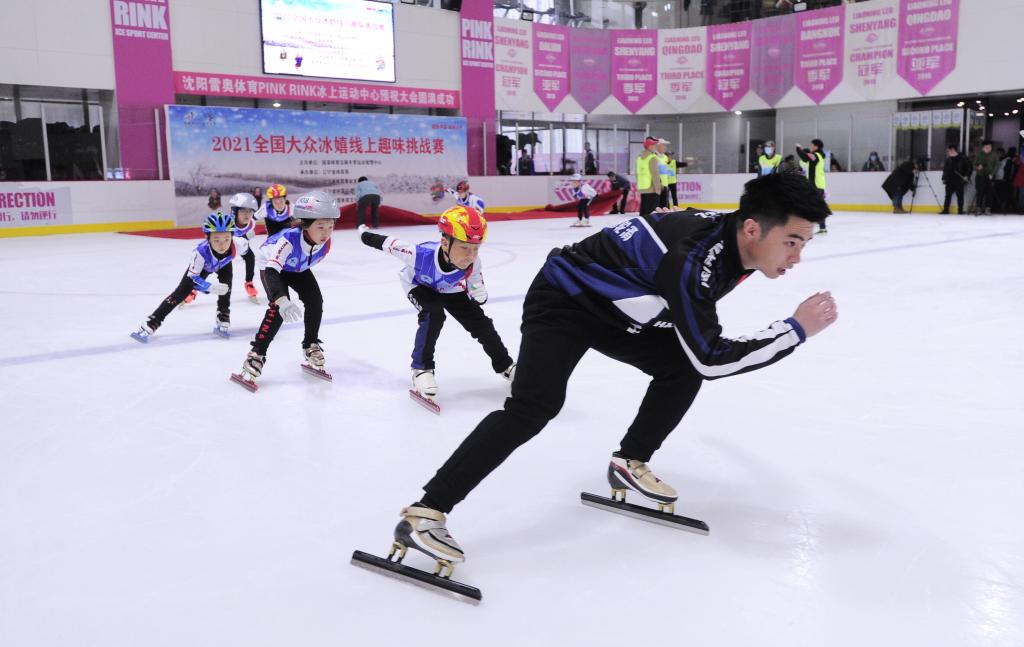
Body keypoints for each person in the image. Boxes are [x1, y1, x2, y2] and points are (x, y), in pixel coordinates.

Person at [384, 173, 837, 572]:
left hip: (618, 309)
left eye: (804, 244)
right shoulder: (693, 260)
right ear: (753, 228)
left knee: (680, 370)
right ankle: (426, 512)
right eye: (792, 241)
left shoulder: (737, 240)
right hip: (564, 298)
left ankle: (629, 462)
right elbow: (712, 357)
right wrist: (794, 330)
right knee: (534, 406)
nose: (796, 256)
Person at [358, 206, 516, 403]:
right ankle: (421, 369)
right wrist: (364, 234)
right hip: (418, 285)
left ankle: (506, 366)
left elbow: (475, 280)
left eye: (476, 248)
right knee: (434, 314)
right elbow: (387, 243)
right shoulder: (418, 254)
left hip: (449, 288)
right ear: (444, 242)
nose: (470, 255)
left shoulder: (473, 262)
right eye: (464, 248)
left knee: (481, 323)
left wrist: (477, 291)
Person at [233, 191, 339, 389]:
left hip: (296, 267)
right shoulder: (289, 239)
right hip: (271, 265)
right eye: (321, 227)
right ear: (305, 225)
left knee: (315, 301)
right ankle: (256, 354)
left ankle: (310, 345)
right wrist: (281, 299)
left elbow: (304, 263)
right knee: (278, 310)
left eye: (331, 226)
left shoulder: (326, 243)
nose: (326, 233)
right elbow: (273, 271)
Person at [130, 213, 246, 343]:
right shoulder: (200, 253)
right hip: (202, 269)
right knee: (180, 294)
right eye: (216, 240)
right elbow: (193, 278)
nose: (222, 244)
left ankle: (223, 313)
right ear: (207, 238)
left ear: (232, 236)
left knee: (226, 287)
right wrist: (209, 287)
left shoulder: (239, 244)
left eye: (226, 239)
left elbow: (250, 257)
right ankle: (153, 321)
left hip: (224, 264)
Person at [228, 192, 261, 301]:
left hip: (241, 246)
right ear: (235, 212)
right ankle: (192, 288)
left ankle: (249, 283)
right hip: (225, 248)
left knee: (250, 258)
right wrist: (244, 238)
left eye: (250, 211)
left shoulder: (251, 223)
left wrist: (245, 238)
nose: (247, 214)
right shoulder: (228, 223)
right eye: (243, 210)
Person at [796, 139, 828, 232]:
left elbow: (805, 156)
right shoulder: (818, 156)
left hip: (815, 185)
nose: (810, 147)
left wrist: (798, 148)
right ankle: (822, 228)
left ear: (816, 146)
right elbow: (805, 159)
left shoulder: (816, 156)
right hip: (817, 185)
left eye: (812, 145)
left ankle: (807, 228)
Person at [635, 136, 662, 217]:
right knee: (651, 213)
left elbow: (637, 173)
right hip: (652, 188)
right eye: (654, 145)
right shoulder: (652, 157)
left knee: (643, 211)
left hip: (643, 187)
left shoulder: (639, 157)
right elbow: (655, 174)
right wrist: (658, 188)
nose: (656, 147)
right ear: (649, 146)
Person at [940, 145, 969, 215]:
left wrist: (966, 176)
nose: (949, 152)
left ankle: (960, 210)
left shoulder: (962, 158)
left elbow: (968, 168)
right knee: (947, 196)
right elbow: (945, 170)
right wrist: (944, 178)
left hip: (959, 181)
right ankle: (945, 210)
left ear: (954, 150)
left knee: (960, 196)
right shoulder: (948, 159)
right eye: (949, 151)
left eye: (951, 150)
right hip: (949, 180)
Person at [973, 140, 999, 215]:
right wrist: (978, 167)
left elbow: (996, 165)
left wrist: (992, 174)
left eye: (989, 147)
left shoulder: (994, 155)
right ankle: (978, 208)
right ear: (983, 147)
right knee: (979, 193)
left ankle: (988, 209)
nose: (988, 149)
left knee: (989, 193)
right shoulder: (979, 154)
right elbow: (974, 164)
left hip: (990, 176)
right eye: (986, 147)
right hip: (980, 176)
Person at [655, 139, 672, 209]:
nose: (665, 147)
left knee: (665, 205)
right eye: (663, 145)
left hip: (665, 184)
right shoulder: (654, 156)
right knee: (658, 205)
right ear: (658, 146)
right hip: (657, 185)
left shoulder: (665, 157)